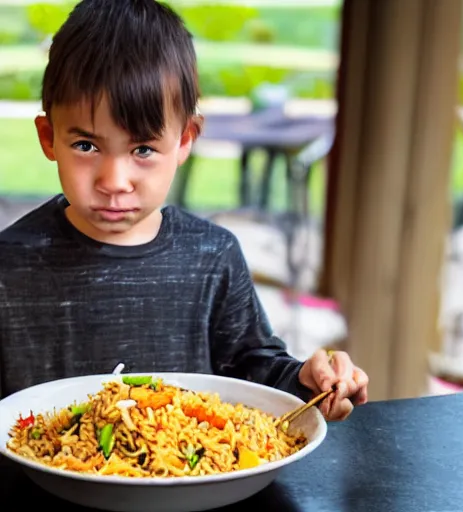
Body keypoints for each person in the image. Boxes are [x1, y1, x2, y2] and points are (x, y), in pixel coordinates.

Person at [0, 0, 368, 422]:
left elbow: (256, 373)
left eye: (143, 149)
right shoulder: (9, 267)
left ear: (185, 139)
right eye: (86, 146)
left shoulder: (212, 257)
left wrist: (310, 383)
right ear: (49, 137)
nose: (114, 180)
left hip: (194, 485)